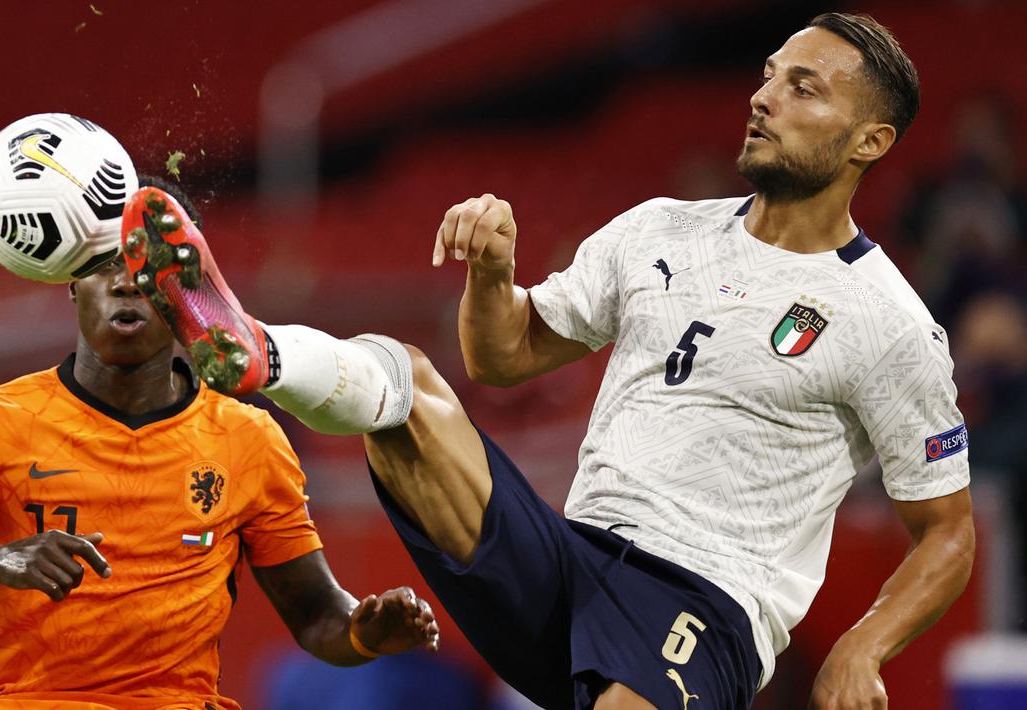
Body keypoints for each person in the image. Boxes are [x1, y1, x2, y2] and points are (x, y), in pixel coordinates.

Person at [121, 12, 974, 710]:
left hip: (698, 609)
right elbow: (500, 358)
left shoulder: (890, 324)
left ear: (868, 141)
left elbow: (947, 533)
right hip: (565, 558)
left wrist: (861, 646)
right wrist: (492, 276)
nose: (762, 98)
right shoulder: (657, 230)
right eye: (765, 74)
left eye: (801, 87)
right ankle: (255, 349)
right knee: (407, 386)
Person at [0, 177, 440, 710]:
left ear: (186, 291)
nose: (125, 281)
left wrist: (365, 631)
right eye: (101, 264)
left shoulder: (249, 440)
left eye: (150, 266)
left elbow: (317, 614)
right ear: (70, 283)